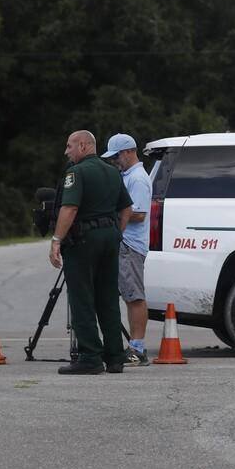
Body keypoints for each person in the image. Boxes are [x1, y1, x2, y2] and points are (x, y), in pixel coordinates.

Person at [48, 130, 133, 375]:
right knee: (107, 297)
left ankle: (90, 357)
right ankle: (115, 357)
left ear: (84, 145)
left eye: (69, 146)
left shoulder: (77, 172)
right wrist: (116, 231)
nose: (66, 152)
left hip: (84, 240)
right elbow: (126, 208)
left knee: (82, 297)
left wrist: (56, 240)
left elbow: (70, 208)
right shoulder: (113, 171)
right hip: (109, 238)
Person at [103, 133, 151, 366]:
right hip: (123, 244)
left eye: (117, 156)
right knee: (127, 296)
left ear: (129, 152)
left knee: (134, 297)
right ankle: (131, 346)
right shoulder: (127, 176)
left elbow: (139, 214)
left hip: (131, 245)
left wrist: (108, 213)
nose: (114, 161)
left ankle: (137, 348)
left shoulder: (138, 179)